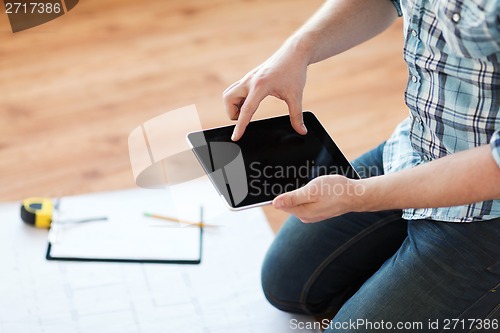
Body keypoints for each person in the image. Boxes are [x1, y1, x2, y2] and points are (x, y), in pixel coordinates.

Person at [223, 0, 500, 332]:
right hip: (416, 151)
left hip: (487, 211)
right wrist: (298, 48)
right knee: (286, 283)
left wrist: (357, 195)